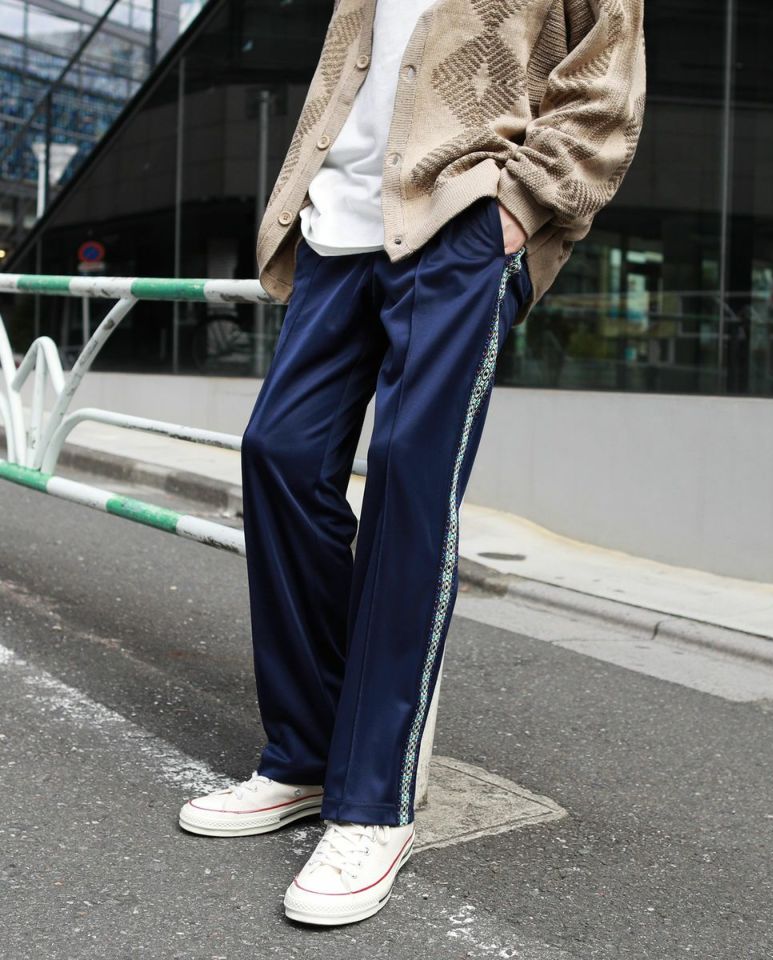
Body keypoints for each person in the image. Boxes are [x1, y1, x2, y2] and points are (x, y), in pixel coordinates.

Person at [179, 0, 647, 927]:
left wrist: (520, 207)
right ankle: (308, 756)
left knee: (409, 481)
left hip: (463, 213)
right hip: (338, 224)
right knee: (279, 453)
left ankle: (372, 801)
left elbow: (608, 75)